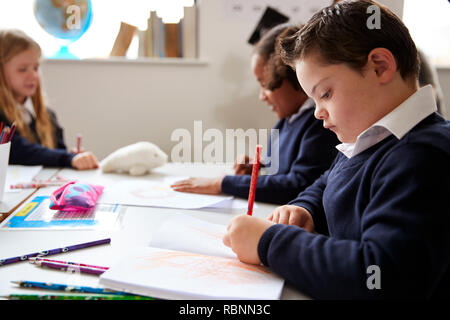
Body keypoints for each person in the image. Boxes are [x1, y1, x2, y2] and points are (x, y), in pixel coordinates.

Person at [223, 0, 450, 299]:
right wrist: (305, 209)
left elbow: (380, 273)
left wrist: (270, 242)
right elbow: (327, 180)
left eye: (325, 94)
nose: (317, 113)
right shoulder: (369, 140)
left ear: (379, 67)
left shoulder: (422, 156)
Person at [171, 24, 339, 204]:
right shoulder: (287, 121)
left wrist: (224, 183)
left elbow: (297, 184)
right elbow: (279, 166)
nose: (261, 96)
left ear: (291, 74)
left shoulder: (320, 124)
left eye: (265, 84)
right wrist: (257, 165)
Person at [0, 29, 98, 169]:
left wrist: (72, 156)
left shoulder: (47, 115)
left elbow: (58, 151)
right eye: (22, 69)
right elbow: (19, 151)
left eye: (35, 68)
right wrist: (66, 158)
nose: (33, 75)